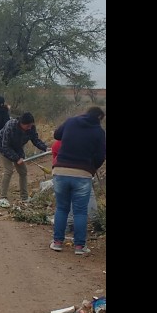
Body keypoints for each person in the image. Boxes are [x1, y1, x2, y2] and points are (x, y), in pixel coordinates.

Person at [50, 107, 106, 255]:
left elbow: (57, 135)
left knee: (62, 208)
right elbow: (101, 155)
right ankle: (80, 246)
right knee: (80, 212)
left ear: (86, 113)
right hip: (83, 173)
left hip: (61, 171)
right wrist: (92, 167)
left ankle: (57, 242)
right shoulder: (99, 132)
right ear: (100, 118)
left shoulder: (71, 121)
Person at [0, 112, 49, 202]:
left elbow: (35, 140)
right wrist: (17, 158)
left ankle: (24, 197)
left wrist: (45, 148)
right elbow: (5, 146)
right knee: (9, 170)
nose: (30, 128)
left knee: (23, 171)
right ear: (21, 123)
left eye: (31, 125)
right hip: (2, 147)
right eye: (28, 126)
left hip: (17, 148)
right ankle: (3, 198)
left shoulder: (31, 127)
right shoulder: (11, 125)